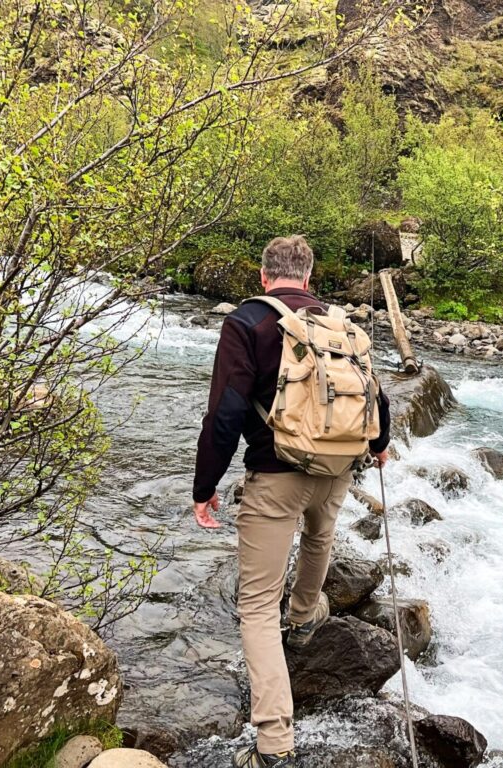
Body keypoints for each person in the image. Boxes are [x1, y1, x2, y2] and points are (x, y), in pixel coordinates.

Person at [192, 235, 391, 768]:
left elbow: (226, 412)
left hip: (277, 475)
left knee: (256, 607)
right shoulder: (335, 323)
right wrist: (380, 444)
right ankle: (303, 621)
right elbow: (376, 392)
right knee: (320, 537)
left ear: (263, 277)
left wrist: (204, 487)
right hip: (339, 467)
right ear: (308, 277)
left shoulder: (248, 323)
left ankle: (274, 744)